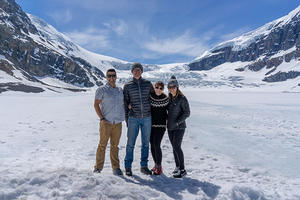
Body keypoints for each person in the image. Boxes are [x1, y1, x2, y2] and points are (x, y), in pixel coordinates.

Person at [123, 62, 154, 176]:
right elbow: (125, 104)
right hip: (133, 118)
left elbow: (153, 98)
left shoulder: (147, 84)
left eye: (139, 70)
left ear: (142, 71)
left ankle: (144, 166)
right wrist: (127, 120)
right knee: (130, 143)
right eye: (135, 70)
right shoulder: (127, 86)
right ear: (132, 71)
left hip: (147, 118)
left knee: (145, 143)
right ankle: (128, 167)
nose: (137, 71)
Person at [93, 68, 125, 176]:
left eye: (113, 75)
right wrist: (101, 118)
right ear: (106, 77)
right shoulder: (101, 89)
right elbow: (96, 104)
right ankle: (98, 167)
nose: (111, 78)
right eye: (109, 76)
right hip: (106, 122)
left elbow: (124, 104)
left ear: (116, 77)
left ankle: (116, 168)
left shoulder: (120, 90)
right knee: (102, 145)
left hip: (118, 123)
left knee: (115, 146)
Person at [167, 75, 190, 178]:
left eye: (173, 86)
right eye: (169, 87)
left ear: (177, 87)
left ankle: (182, 169)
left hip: (179, 127)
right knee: (174, 147)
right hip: (170, 127)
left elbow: (187, 113)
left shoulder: (182, 98)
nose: (171, 89)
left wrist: (177, 122)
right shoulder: (169, 98)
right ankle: (177, 166)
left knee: (177, 147)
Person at [150, 81, 169, 175]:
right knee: (152, 145)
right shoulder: (150, 97)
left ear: (163, 89)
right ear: (154, 87)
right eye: (157, 87)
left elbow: (171, 111)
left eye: (161, 88)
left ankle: (159, 166)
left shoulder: (166, 98)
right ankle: (155, 164)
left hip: (161, 126)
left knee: (157, 145)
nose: (158, 89)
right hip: (151, 125)